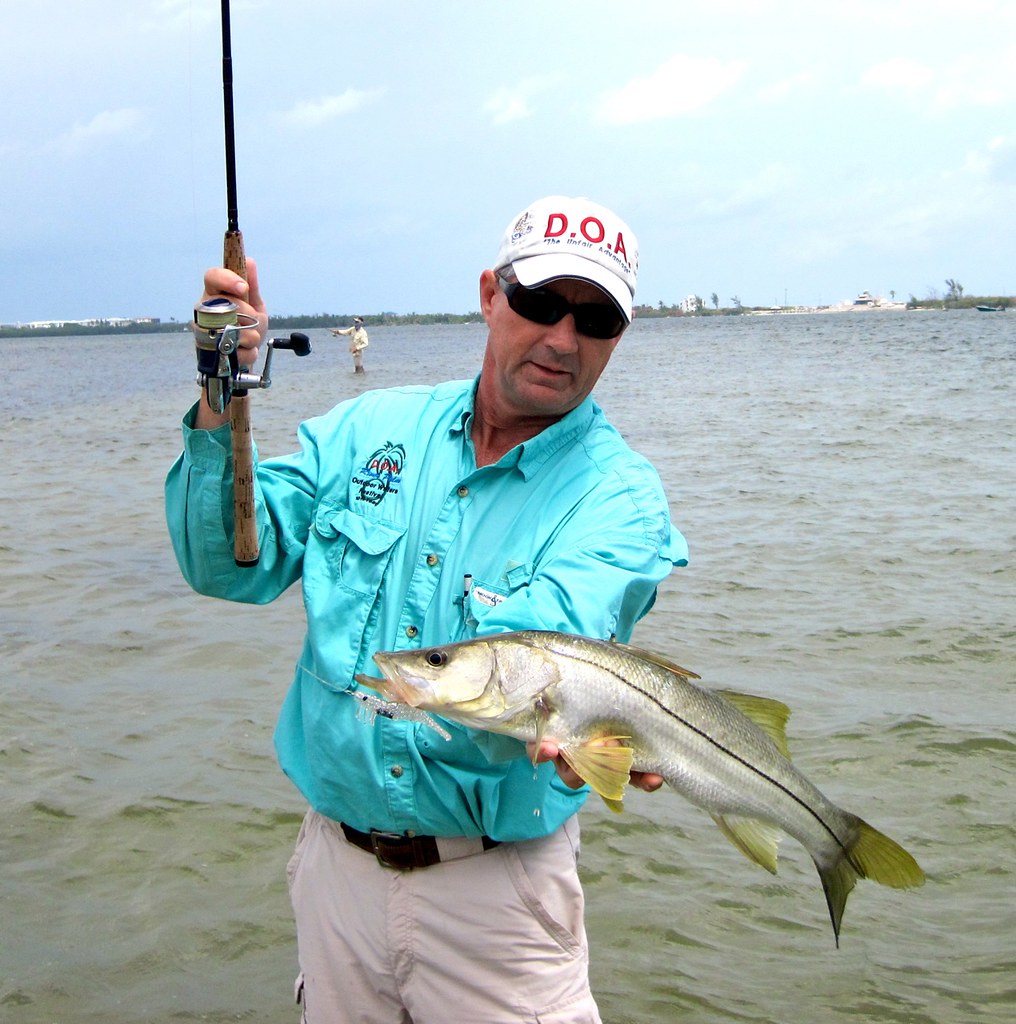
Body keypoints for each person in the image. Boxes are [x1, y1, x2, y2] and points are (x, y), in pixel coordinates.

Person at [166, 195, 689, 1024]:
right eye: (540, 303)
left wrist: (587, 737)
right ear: (490, 295)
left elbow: (556, 650)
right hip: (335, 873)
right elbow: (228, 565)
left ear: (619, 338)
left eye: (596, 319)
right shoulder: (368, 428)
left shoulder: (620, 500)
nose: (562, 338)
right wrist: (219, 393)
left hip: (500, 898)